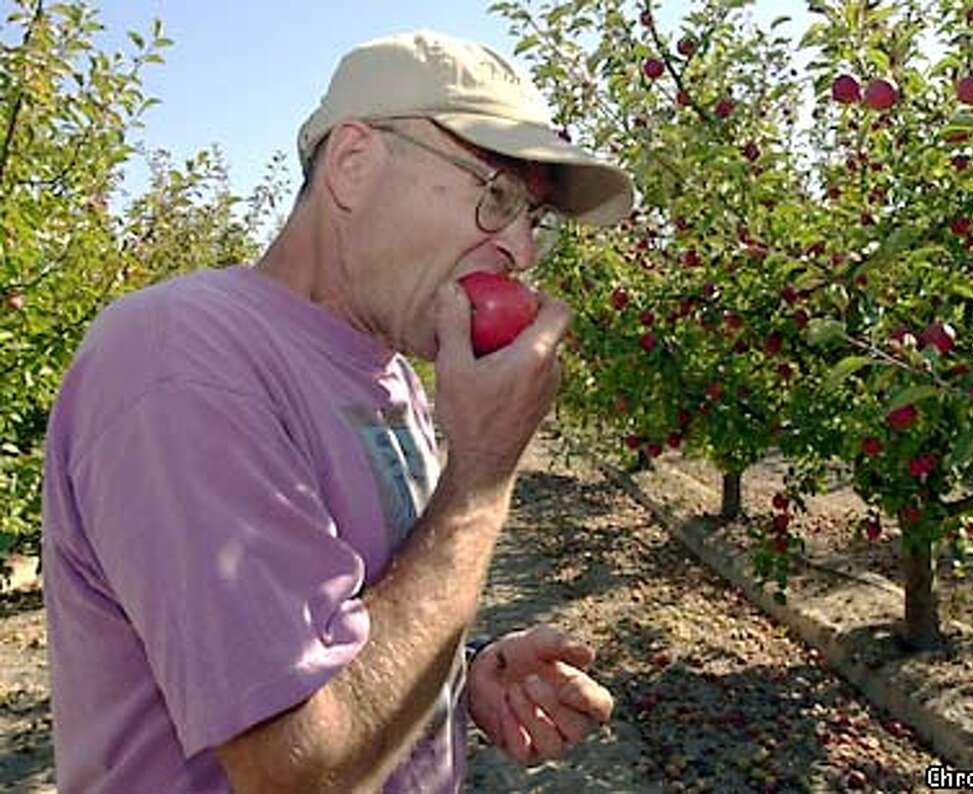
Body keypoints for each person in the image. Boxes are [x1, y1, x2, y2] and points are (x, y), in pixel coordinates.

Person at [40, 29, 635, 792]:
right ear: (354, 164)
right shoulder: (179, 361)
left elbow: (348, 616)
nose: (520, 249)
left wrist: (457, 675)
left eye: (534, 219)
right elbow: (300, 767)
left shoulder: (392, 375)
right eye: (497, 196)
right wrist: (482, 479)